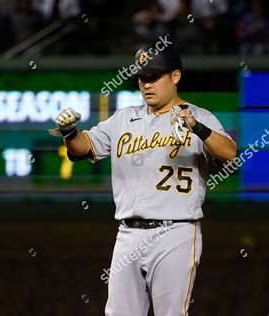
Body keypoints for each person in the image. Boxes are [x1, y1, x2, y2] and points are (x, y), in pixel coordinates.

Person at [49, 44, 236, 315]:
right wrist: (69, 132)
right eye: (142, 78)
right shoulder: (124, 118)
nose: (146, 84)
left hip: (176, 231)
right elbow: (83, 148)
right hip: (127, 234)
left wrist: (197, 127)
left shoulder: (200, 116)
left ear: (175, 76)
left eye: (154, 77)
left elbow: (229, 153)